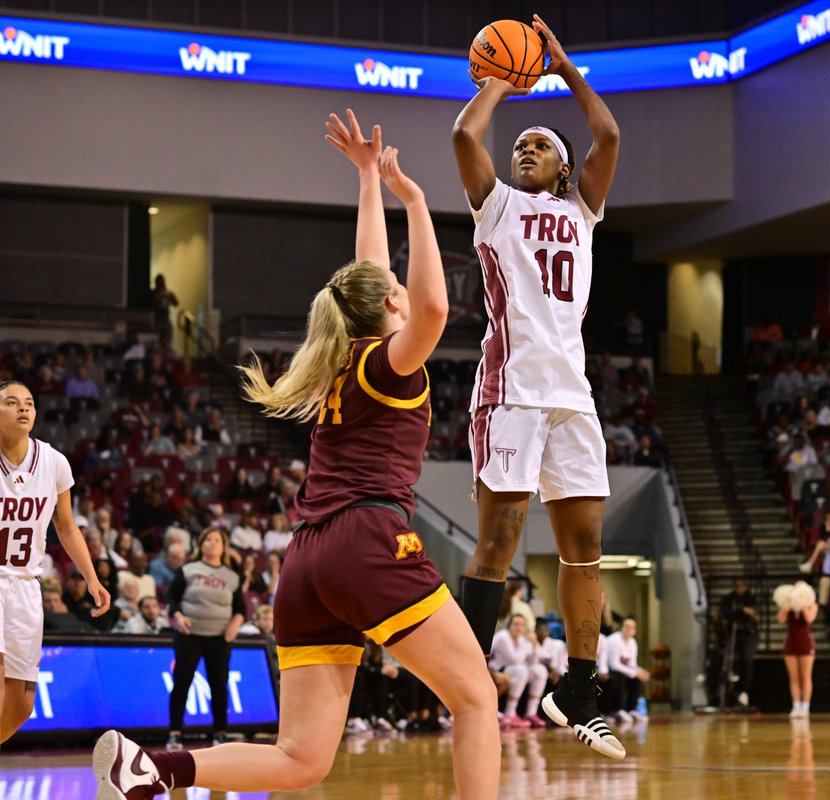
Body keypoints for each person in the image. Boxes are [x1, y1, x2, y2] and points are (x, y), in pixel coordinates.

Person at [92, 111, 499, 800]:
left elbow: (372, 274)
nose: (396, 282)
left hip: (308, 560)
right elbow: (432, 305)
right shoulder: (390, 362)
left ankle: (154, 770)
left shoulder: (347, 356)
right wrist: (418, 201)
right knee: (476, 699)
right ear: (389, 308)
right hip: (368, 542)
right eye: (393, 287)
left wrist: (370, 180)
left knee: (301, 760)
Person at [451, 15, 623, 760]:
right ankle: (466, 682)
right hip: (512, 388)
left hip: (570, 395)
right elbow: (465, 138)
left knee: (584, 543)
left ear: (562, 169)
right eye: (520, 144)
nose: (525, 149)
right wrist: (501, 79)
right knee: (501, 539)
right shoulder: (497, 205)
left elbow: (608, 137)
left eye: (541, 146)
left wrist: (563, 66)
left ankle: (576, 689)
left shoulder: (582, 209)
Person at [0, 380, 110, 743]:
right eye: (12, 402)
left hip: (26, 588)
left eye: (28, 403)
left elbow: (65, 526)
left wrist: (91, 578)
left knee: (20, 707)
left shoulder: (53, 462)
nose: (23, 409)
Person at [163, 527, 245, 748]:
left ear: (223, 546)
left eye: (217, 540)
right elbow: (171, 598)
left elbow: (241, 608)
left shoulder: (232, 576)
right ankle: (175, 732)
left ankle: (220, 732)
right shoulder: (188, 570)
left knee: (219, 685)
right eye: (208, 539)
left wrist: (234, 626)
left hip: (220, 638)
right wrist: (178, 616)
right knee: (182, 682)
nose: (212, 543)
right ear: (201, 544)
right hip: (189, 635)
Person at [490, 615, 547, 728]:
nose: (519, 627)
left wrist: (535, 644)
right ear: (509, 625)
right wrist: (528, 643)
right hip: (495, 669)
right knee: (521, 670)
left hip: (511, 669)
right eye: (516, 624)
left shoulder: (521, 639)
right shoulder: (503, 637)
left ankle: (531, 713)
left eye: (522, 625)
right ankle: (510, 713)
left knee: (540, 670)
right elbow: (515, 659)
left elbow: (534, 660)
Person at [720, 579, 759, 706]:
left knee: (746, 660)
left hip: (748, 633)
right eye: (737, 585)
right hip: (731, 633)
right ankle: (725, 693)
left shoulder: (750, 598)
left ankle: (744, 692)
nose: (740, 588)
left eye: (742, 585)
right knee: (726, 659)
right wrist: (741, 611)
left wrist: (745, 611)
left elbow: (754, 614)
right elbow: (725, 615)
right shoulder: (728, 599)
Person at [779, 592, 818, 719]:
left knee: (806, 676)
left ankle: (805, 706)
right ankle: (796, 705)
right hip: (791, 642)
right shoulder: (789, 605)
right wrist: (787, 605)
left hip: (805, 643)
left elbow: (809, 619)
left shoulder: (812, 605)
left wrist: (803, 605)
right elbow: (780, 619)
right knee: (794, 678)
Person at [604, 618, 649, 723]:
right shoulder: (614, 640)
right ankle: (618, 709)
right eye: (626, 626)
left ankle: (631, 709)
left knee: (636, 679)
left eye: (631, 627)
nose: (628, 629)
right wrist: (634, 672)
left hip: (621, 670)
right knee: (620, 677)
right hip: (608, 670)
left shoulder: (633, 642)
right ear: (622, 627)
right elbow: (614, 664)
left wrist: (640, 671)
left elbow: (632, 664)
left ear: (635, 630)